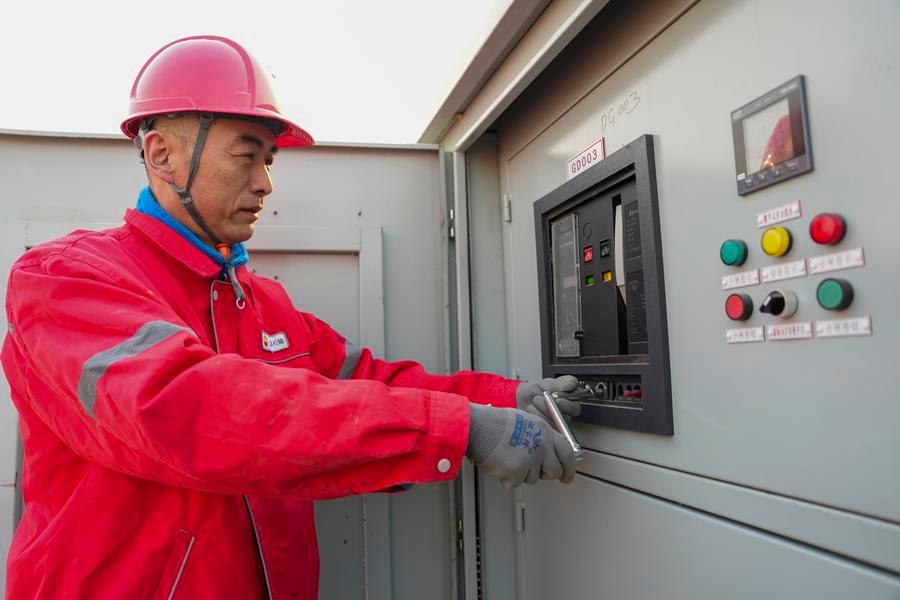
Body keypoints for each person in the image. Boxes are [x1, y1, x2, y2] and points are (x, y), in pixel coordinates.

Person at [0, 35, 581, 599]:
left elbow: (367, 381)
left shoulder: (264, 305)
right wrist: (459, 428)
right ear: (162, 155)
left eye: (269, 160)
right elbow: (186, 409)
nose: (265, 183)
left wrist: (502, 398)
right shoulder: (64, 278)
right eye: (246, 155)